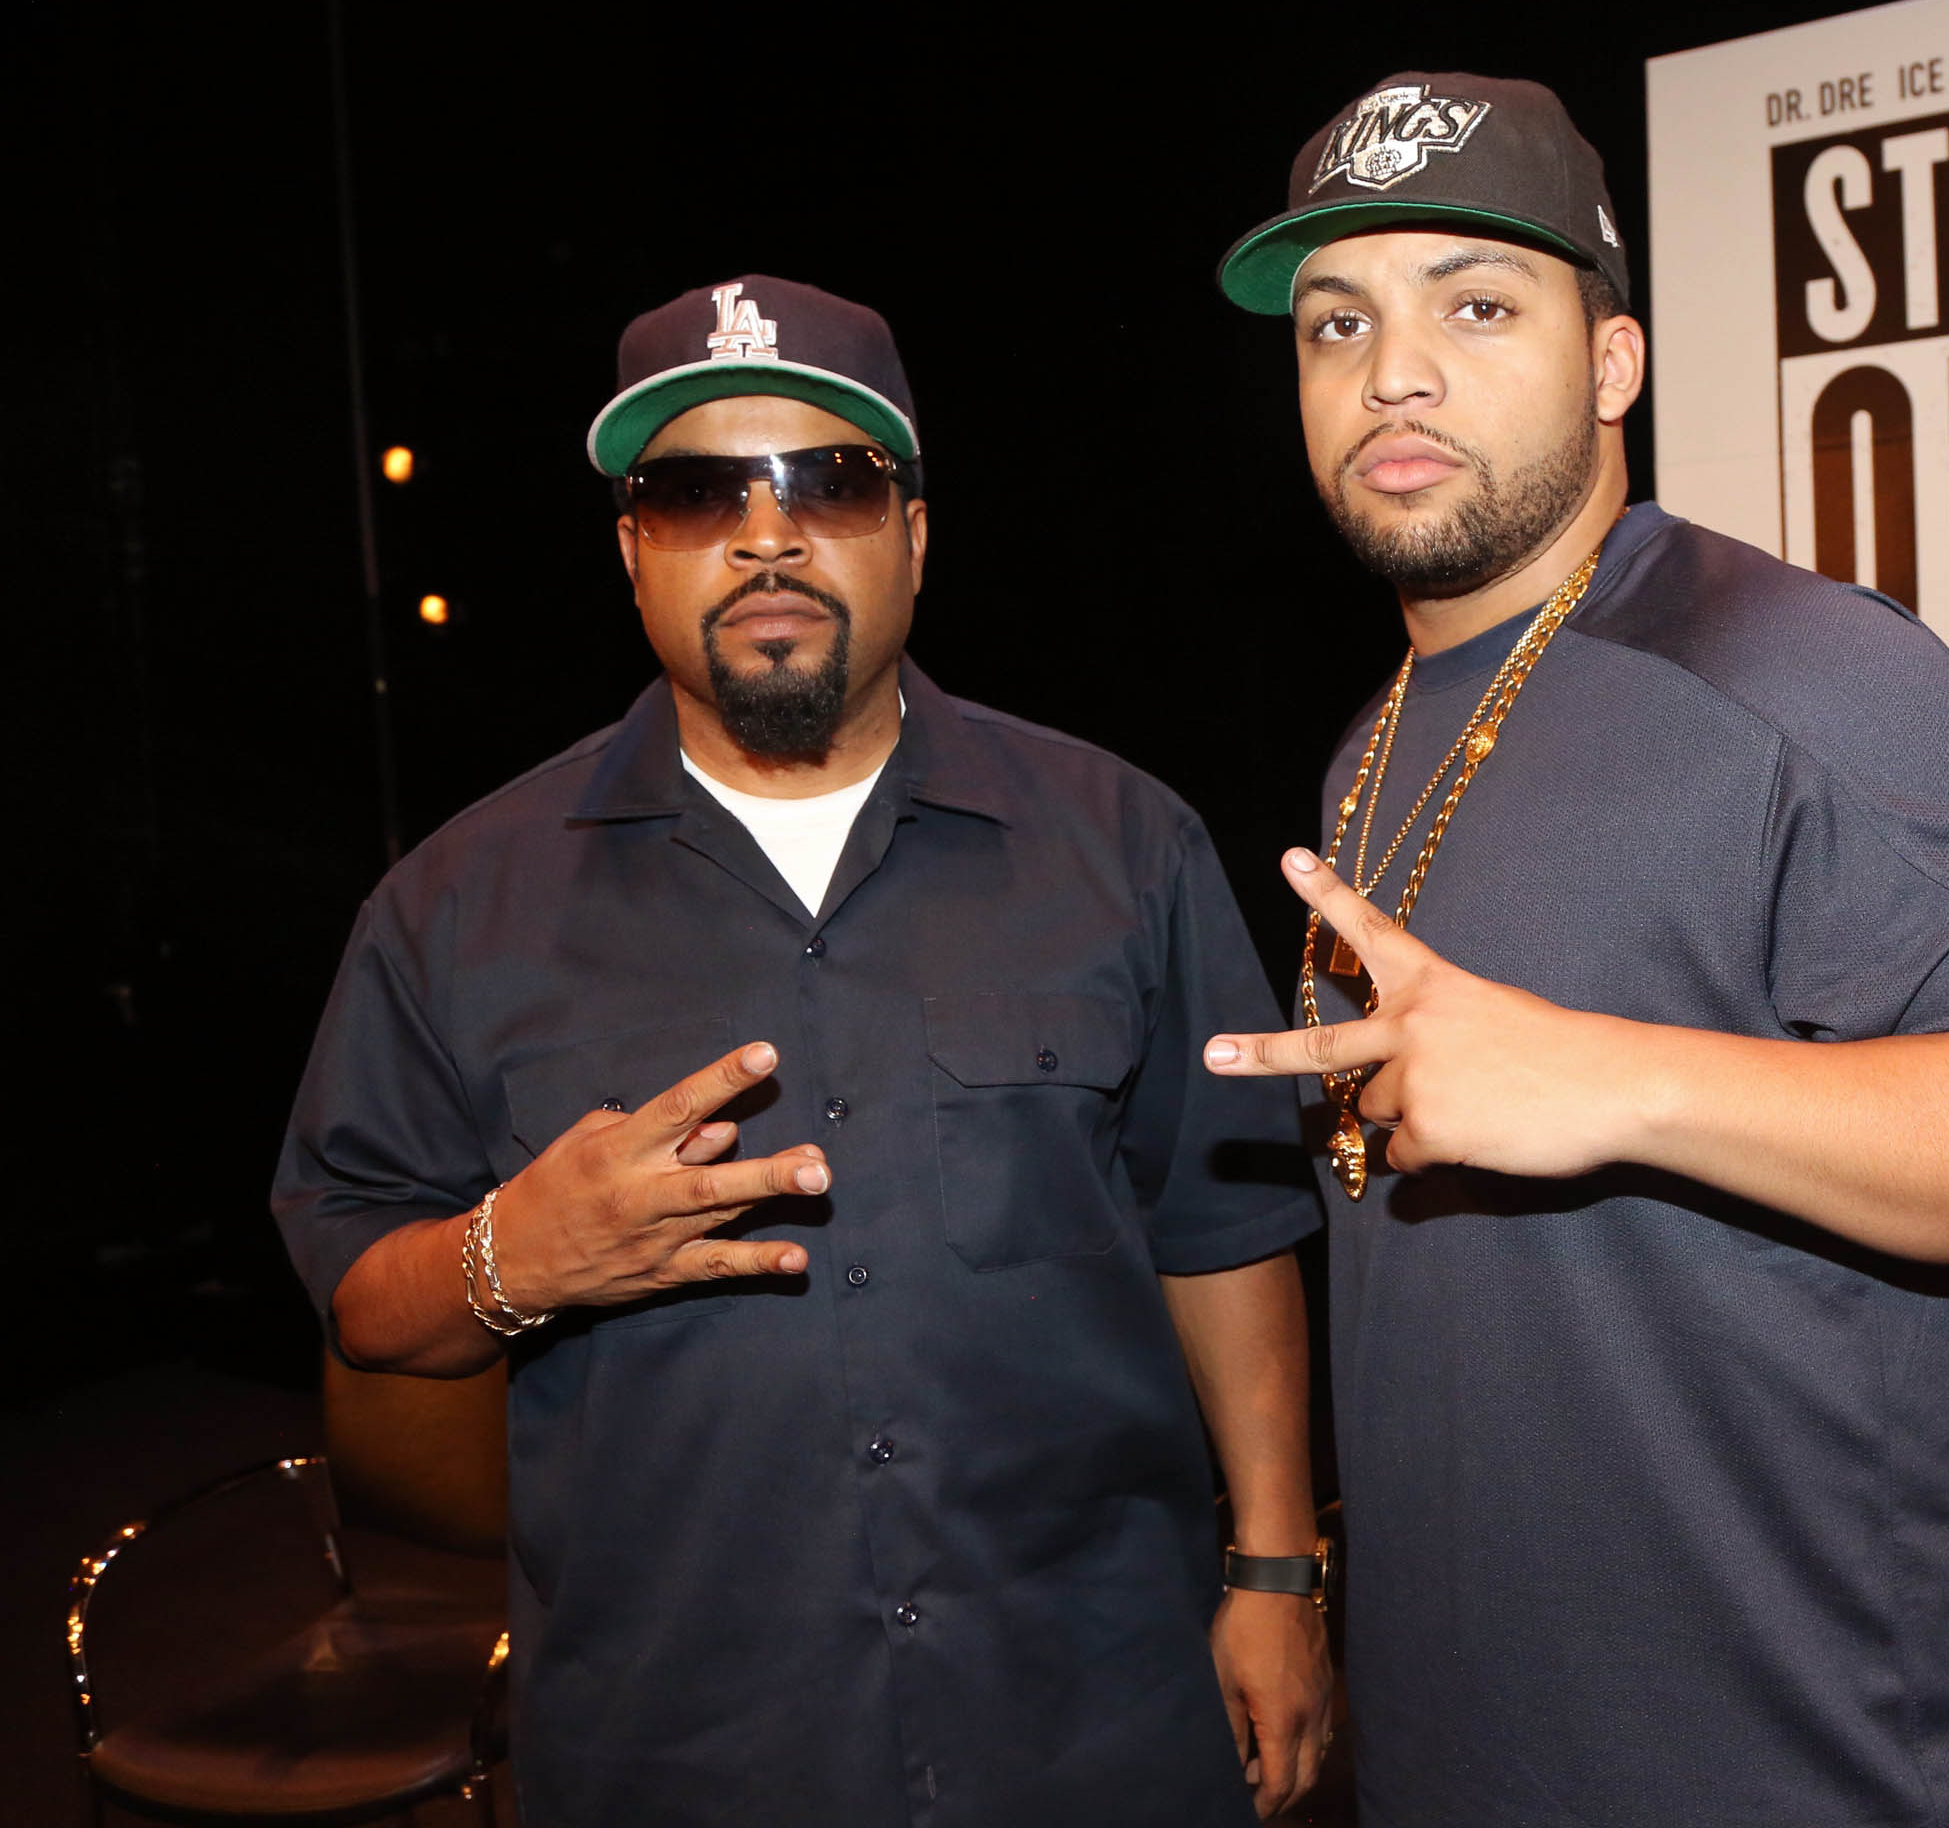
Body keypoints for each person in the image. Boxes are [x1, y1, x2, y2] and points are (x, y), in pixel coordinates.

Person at [1200, 73, 1949, 1828]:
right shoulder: (1375, 741)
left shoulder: (1801, 671)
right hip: (1466, 1749)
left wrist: (1619, 1079)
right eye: (1335, 323)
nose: (1393, 371)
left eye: (1479, 305)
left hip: (1789, 1763)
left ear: (1613, 366)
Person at [271, 276, 1331, 1826]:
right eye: (697, 495)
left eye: (827, 483)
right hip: (681, 1748)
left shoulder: (1122, 843)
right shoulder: (454, 904)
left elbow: (1223, 1233)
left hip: (1095, 1715)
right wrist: (516, 1254)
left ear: (912, 532)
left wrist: (1277, 1573)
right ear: (633, 552)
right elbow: (364, 1298)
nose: (766, 538)